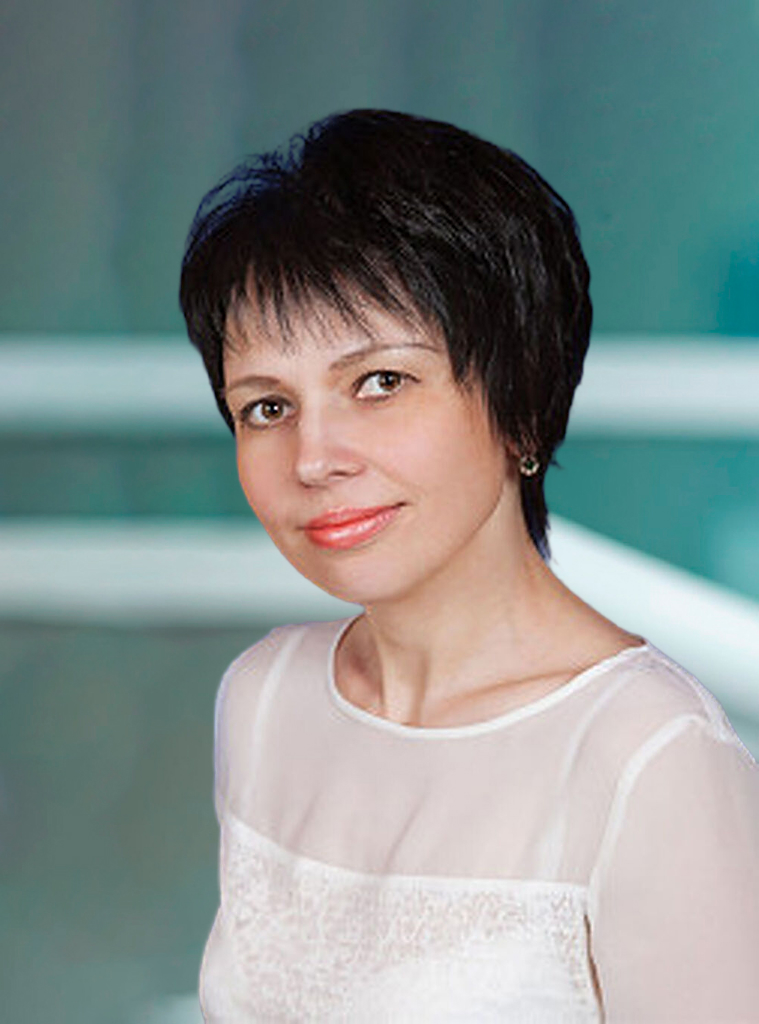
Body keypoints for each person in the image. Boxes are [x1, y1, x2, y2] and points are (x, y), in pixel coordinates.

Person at [180, 109, 759, 1022]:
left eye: (380, 382)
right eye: (266, 407)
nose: (313, 459)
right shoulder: (264, 697)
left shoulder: (649, 756)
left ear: (519, 402)